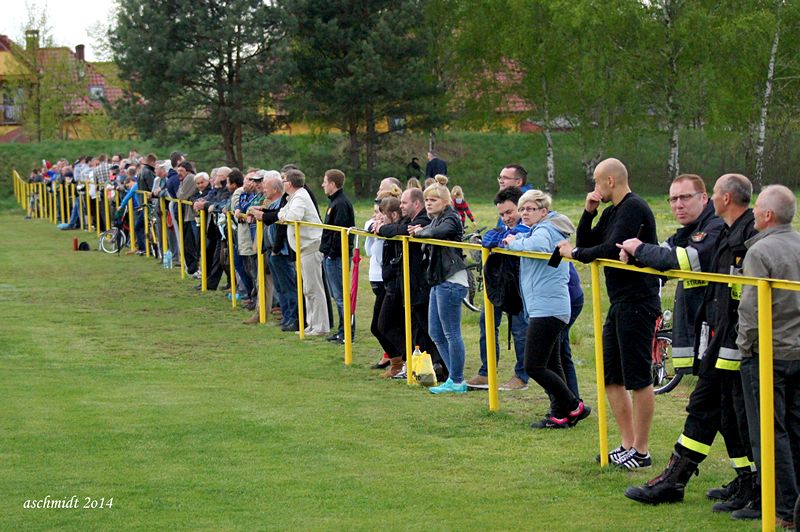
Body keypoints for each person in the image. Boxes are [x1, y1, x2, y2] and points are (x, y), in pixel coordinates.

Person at [621, 174, 757, 506]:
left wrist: (639, 248)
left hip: (731, 337)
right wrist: (640, 254)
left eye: (686, 197)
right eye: (673, 199)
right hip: (719, 336)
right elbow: (669, 251)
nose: (679, 204)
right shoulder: (714, 229)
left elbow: (684, 260)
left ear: (709, 199)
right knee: (724, 413)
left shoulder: (718, 230)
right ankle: (748, 480)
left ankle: (675, 479)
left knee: (707, 408)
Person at [557, 157, 659, 469]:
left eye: (597, 183)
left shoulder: (633, 207)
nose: (595, 188)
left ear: (610, 182)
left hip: (639, 302)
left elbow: (610, 249)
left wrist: (573, 253)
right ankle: (627, 443)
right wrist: (589, 212)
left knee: (639, 379)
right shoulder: (614, 209)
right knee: (611, 377)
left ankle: (641, 450)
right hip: (620, 303)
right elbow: (590, 240)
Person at [737, 184, 800, 528]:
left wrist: (747, 347)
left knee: (769, 432)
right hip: (797, 351)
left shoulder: (760, 253)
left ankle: (784, 509)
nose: (754, 212)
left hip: (769, 354)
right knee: (795, 428)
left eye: (758, 207)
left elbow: (751, 310)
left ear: (768, 215)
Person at [504, 190, 591, 428]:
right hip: (545, 306)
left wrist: (513, 242)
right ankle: (560, 415)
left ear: (543, 211)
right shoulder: (543, 229)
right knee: (552, 364)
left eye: (530, 209)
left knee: (533, 365)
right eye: (522, 209)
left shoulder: (545, 230)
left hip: (549, 309)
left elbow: (538, 247)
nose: (524, 214)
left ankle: (574, 406)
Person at [466, 186, 530, 391]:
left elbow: (508, 238)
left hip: (519, 287)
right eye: (501, 214)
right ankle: (487, 371)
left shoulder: (528, 228)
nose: (505, 217)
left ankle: (522, 376)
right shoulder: (506, 228)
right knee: (487, 324)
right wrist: (502, 237)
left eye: (509, 212)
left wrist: (503, 237)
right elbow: (489, 239)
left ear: (521, 209)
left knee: (520, 330)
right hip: (499, 284)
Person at [409, 175, 468, 394]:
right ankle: (454, 376)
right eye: (427, 200)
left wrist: (420, 231)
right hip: (439, 280)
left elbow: (438, 233)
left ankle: (458, 379)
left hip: (451, 280)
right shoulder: (436, 219)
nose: (429, 204)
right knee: (436, 332)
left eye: (433, 200)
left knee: (452, 333)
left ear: (445, 202)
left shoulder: (451, 218)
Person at [278, 168, 330, 336]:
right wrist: (284, 215)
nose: (283, 183)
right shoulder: (294, 197)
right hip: (303, 248)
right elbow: (282, 213)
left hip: (310, 247)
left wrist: (285, 216)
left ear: (291, 183)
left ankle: (320, 326)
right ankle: (311, 324)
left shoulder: (300, 196)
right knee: (308, 288)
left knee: (314, 288)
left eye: (284, 180)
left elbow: (293, 216)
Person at [320, 169, 356, 344]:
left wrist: (331, 254)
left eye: (325, 182)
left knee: (342, 296)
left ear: (333, 184)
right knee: (338, 296)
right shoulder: (334, 202)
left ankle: (347, 333)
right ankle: (342, 330)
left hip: (337, 257)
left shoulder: (340, 203)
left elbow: (340, 232)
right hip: (331, 255)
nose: (323, 185)